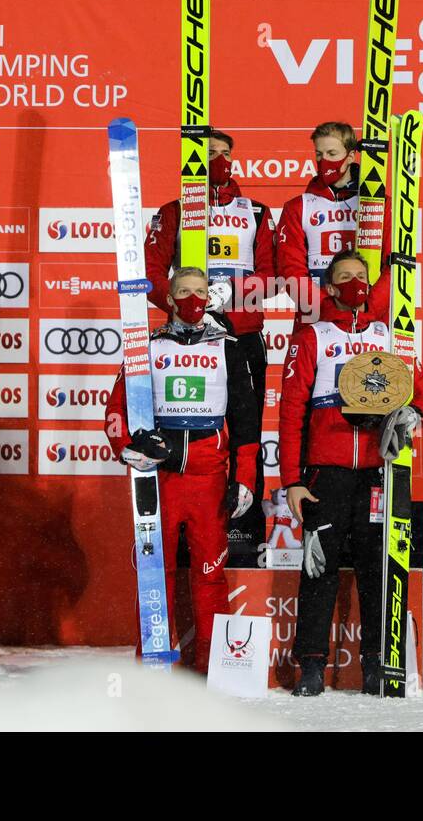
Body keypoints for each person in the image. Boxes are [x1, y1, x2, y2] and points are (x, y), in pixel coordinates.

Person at [279, 249, 423, 696]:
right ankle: (310, 665)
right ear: (329, 288)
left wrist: (413, 414)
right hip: (325, 475)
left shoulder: (391, 335)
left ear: (371, 288)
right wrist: (292, 479)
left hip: (376, 473)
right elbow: (291, 411)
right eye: (344, 277)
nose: (354, 283)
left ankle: (377, 663)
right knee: (318, 569)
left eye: (361, 277)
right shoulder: (313, 337)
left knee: (376, 568)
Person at [104, 267, 260, 672]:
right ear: (170, 300)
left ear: (210, 298)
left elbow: (246, 420)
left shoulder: (229, 345)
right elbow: (117, 408)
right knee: (157, 573)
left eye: (199, 291)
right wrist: (125, 449)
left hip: (209, 477)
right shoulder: (148, 345)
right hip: (160, 477)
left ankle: (214, 670)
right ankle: (153, 665)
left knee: (209, 576)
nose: (192, 299)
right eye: (184, 291)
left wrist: (245, 478)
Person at [145, 129, 275, 549]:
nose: (217, 161)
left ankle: (244, 527)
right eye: (209, 154)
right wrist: (183, 302)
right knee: (183, 420)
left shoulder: (255, 211)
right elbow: (149, 273)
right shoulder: (174, 212)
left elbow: (272, 276)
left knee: (245, 427)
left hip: (241, 335)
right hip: (186, 338)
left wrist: (232, 293)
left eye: (224, 154)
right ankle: (178, 526)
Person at [276, 122, 390, 324]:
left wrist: (369, 309)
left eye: (332, 153)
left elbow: (392, 267)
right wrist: (327, 309)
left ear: (351, 156)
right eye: (319, 155)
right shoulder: (298, 207)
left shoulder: (378, 203)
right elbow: (291, 271)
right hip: (317, 317)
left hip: (369, 319)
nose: (324, 161)